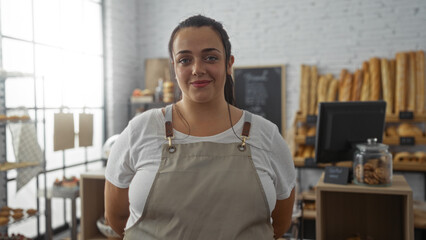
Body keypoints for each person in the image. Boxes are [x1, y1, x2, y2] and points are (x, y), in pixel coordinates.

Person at [105, 14, 296, 240]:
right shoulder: (140, 130)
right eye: (185, 60)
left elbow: (280, 223)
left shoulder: (266, 136)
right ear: (174, 68)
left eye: (210, 58)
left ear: (229, 63)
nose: (197, 69)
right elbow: (117, 218)